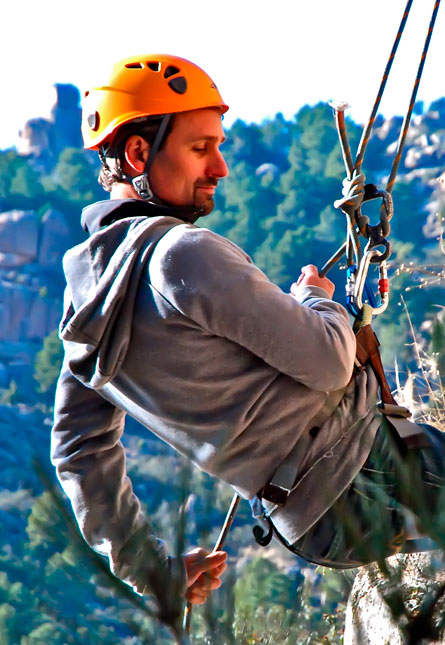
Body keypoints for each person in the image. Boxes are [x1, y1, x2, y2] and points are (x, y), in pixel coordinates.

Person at [51, 53, 445, 608]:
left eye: (218, 146)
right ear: (138, 152)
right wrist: (314, 299)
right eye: (199, 148)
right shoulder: (182, 256)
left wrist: (149, 568)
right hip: (367, 471)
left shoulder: (85, 301)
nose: (220, 167)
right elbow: (331, 360)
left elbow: (78, 449)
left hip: (310, 524)